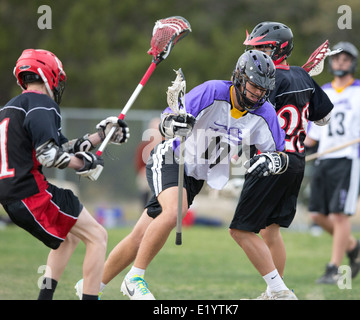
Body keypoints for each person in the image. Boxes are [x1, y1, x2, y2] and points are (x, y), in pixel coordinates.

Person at [76, 50, 287, 300]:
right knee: (176, 210)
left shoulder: (264, 113)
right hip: (171, 157)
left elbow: (281, 155)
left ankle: (89, 288)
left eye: (263, 89)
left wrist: (272, 161)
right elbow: (166, 120)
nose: (258, 93)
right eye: (253, 85)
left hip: (196, 175)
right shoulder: (212, 92)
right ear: (240, 78)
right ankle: (134, 278)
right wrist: (175, 124)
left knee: (140, 236)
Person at [0, 48, 129, 300]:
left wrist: (102, 136)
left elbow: (61, 147)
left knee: (69, 237)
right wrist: (83, 164)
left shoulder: (12, 107)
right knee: (97, 236)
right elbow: (49, 155)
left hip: (13, 196)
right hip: (31, 193)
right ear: (49, 75)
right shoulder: (42, 104)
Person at [229, 21, 333, 300]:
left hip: (271, 162)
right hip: (296, 162)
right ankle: (275, 292)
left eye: (261, 48)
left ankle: (281, 292)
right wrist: (304, 84)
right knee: (270, 231)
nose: (256, 56)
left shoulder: (268, 82)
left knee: (240, 230)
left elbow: (248, 114)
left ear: (277, 49)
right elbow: (323, 119)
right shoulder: (301, 76)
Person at [304, 41, 360, 284]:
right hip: (324, 159)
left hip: (349, 159)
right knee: (316, 215)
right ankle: (354, 247)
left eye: (345, 58)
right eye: (336, 58)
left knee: (339, 214)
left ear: (353, 62)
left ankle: (334, 268)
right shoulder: (323, 92)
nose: (340, 62)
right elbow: (312, 135)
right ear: (330, 62)